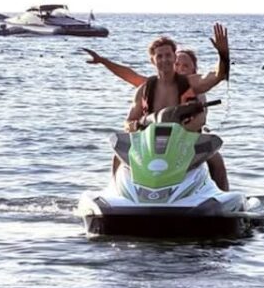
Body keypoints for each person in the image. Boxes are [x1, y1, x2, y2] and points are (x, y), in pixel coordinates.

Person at [83, 24, 230, 191]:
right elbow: (129, 121)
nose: (164, 60)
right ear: (153, 60)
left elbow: (217, 76)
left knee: (216, 160)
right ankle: (117, 193)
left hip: (184, 145)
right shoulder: (145, 89)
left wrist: (223, 54)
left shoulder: (191, 84)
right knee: (118, 156)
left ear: (174, 57)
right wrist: (136, 125)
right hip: (151, 147)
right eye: (159, 56)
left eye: (168, 55)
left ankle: (224, 197)